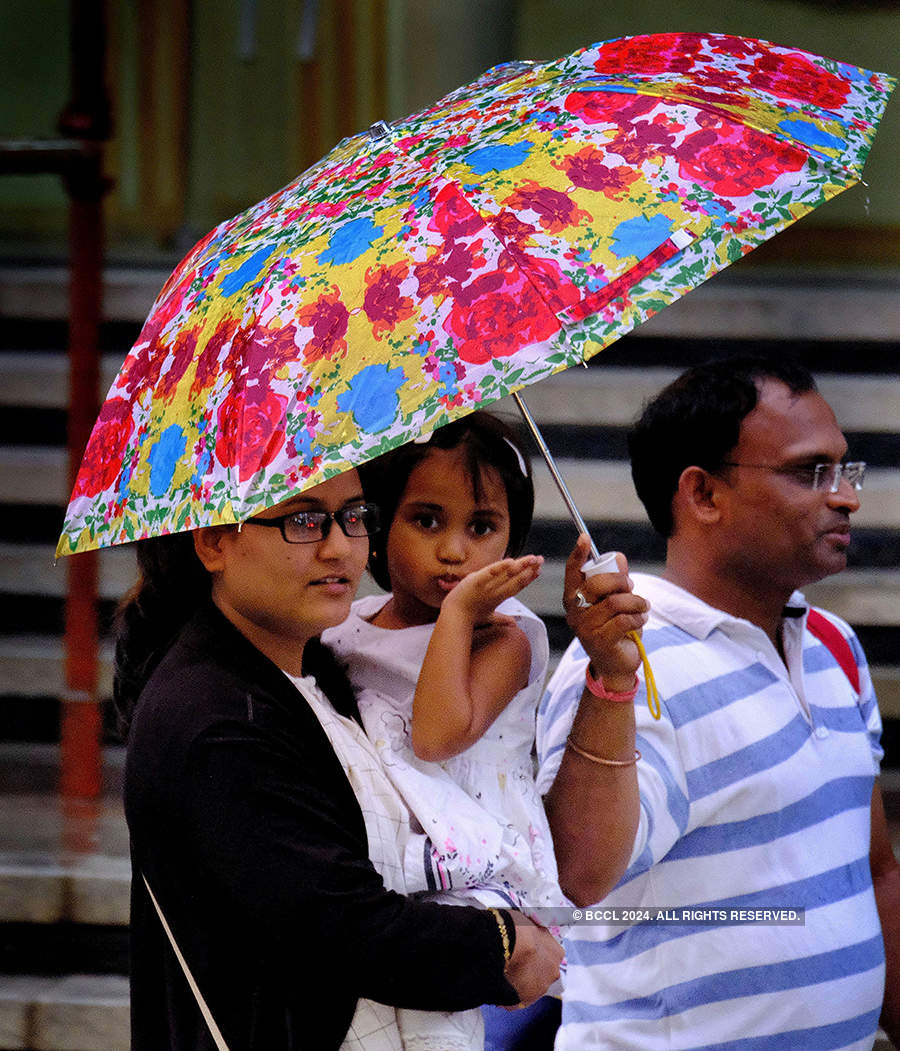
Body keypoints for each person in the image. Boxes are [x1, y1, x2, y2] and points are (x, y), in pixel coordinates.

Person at [115, 467, 563, 1050]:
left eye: (353, 516)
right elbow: (339, 927)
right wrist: (504, 944)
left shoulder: (319, 672)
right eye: (303, 520)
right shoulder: (217, 718)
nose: (339, 546)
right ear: (213, 541)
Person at [536, 356, 900, 1050]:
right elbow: (577, 876)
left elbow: (876, 869)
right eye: (809, 472)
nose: (847, 497)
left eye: (844, 470)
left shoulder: (833, 643)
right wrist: (610, 678)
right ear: (702, 493)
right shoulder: (627, 663)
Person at [323, 413, 566, 1051]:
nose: (454, 551)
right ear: (377, 525)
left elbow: (435, 737)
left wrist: (458, 614)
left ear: (514, 542)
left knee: (439, 1031)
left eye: (481, 528)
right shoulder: (345, 627)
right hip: (376, 870)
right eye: (426, 520)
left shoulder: (503, 638)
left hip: (474, 877)